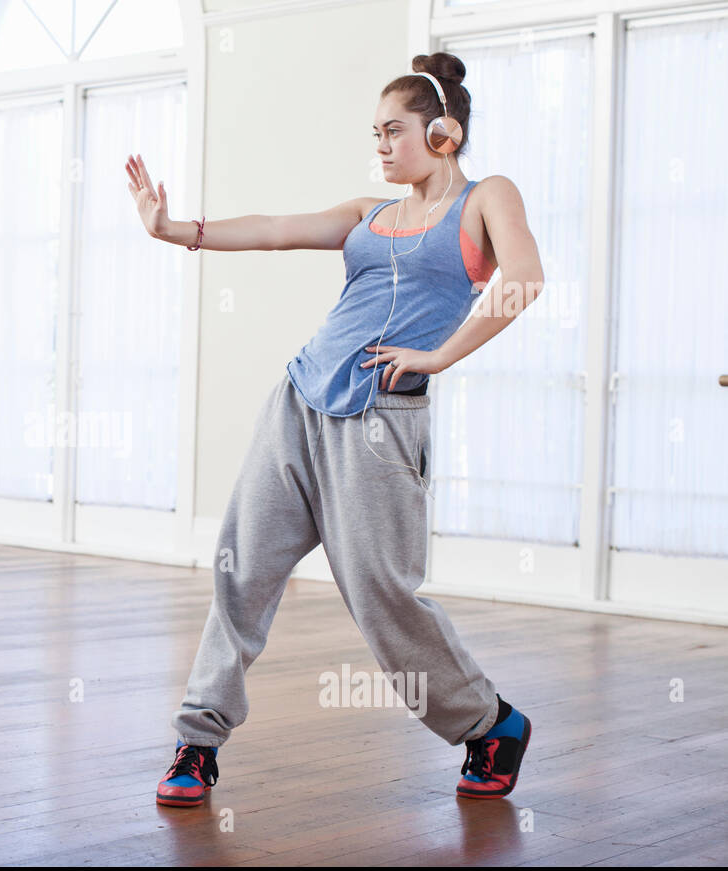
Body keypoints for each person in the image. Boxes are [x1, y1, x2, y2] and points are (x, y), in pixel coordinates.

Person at [125, 52, 545, 808]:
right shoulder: (368, 213)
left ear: (444, 133)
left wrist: (439, 356)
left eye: (395, 131)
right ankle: (197, 741)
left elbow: (525, 278)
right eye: (375, 133)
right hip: (300, 398)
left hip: (382, 422)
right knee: (240, 566)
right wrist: (173, 228)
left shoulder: (486, 198)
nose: (381, 146)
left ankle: (490, 723)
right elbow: (278, 229)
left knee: (383, 594)